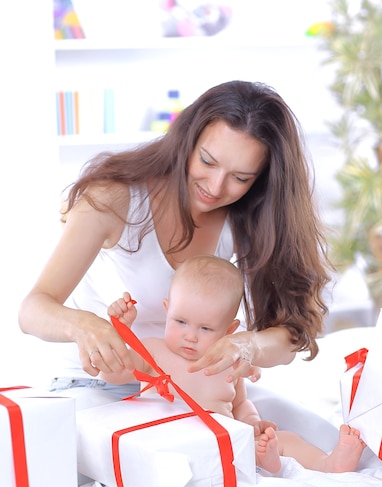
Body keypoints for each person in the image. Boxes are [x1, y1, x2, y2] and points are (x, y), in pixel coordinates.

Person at [18, 80, 332, 432]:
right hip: (97, 386)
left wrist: (248, 346)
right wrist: (84, 326)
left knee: (307, 433)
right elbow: (33, 309)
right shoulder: (113, 199)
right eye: (207, 161)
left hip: (185, 389)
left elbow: (290, 334)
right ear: (187, 140)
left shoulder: (245, 217)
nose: (215, 187)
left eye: (240, 178)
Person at [102, 255, 365, 474]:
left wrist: (252, 423)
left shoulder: (230, 362)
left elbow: (239, 403)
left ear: (230, 330)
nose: (190, 336)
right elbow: (111, 373)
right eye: (180, 322)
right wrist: (120, 331)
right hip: (169, 446)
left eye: (205, 328)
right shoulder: (152, 351)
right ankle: (264, 463)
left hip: (223, 446)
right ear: (166, 310)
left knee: (286, 439)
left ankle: (328, 464)